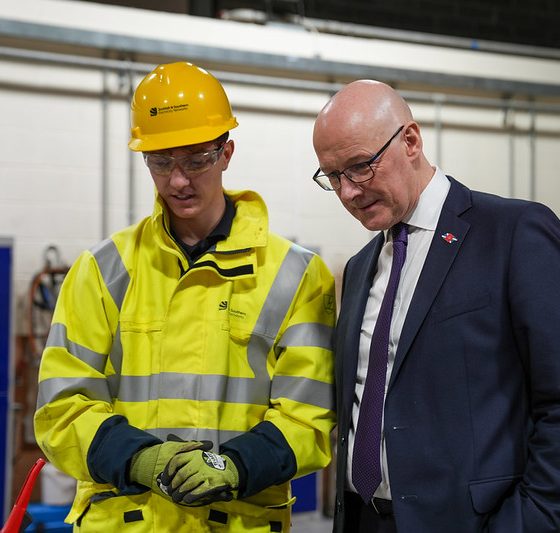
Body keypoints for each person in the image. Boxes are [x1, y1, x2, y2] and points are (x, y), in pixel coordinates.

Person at [34, 61, 337, 532]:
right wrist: (138, 459)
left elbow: (310, 417)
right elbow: (60, 407)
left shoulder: (296, 276)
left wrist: (234, 465)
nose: (178, 180)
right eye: (161, 161)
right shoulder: (102, 270)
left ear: (227, 153)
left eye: (196, 159)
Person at [312, 80, 560, 532]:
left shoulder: (514, 234)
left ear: (410, 141)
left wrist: (535, 522)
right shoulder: (359, 268)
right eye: (333, 177)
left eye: (359, 167)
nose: (348, 191)